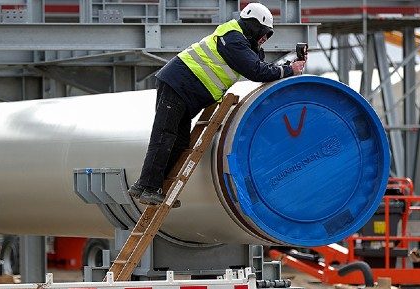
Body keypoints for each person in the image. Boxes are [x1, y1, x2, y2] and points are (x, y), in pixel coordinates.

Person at [129, 2, 306, 207]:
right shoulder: (233, 39)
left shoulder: (241, 42)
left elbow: (260, 66)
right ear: (254, 26)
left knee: (179, 142)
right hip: (179, 83)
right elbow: (256, 71)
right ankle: (149, 187)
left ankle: (148, 187)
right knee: (165, 136)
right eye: (264, 32)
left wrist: (287, 66)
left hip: (186, 91)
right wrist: (290, 70)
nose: (265, 38)